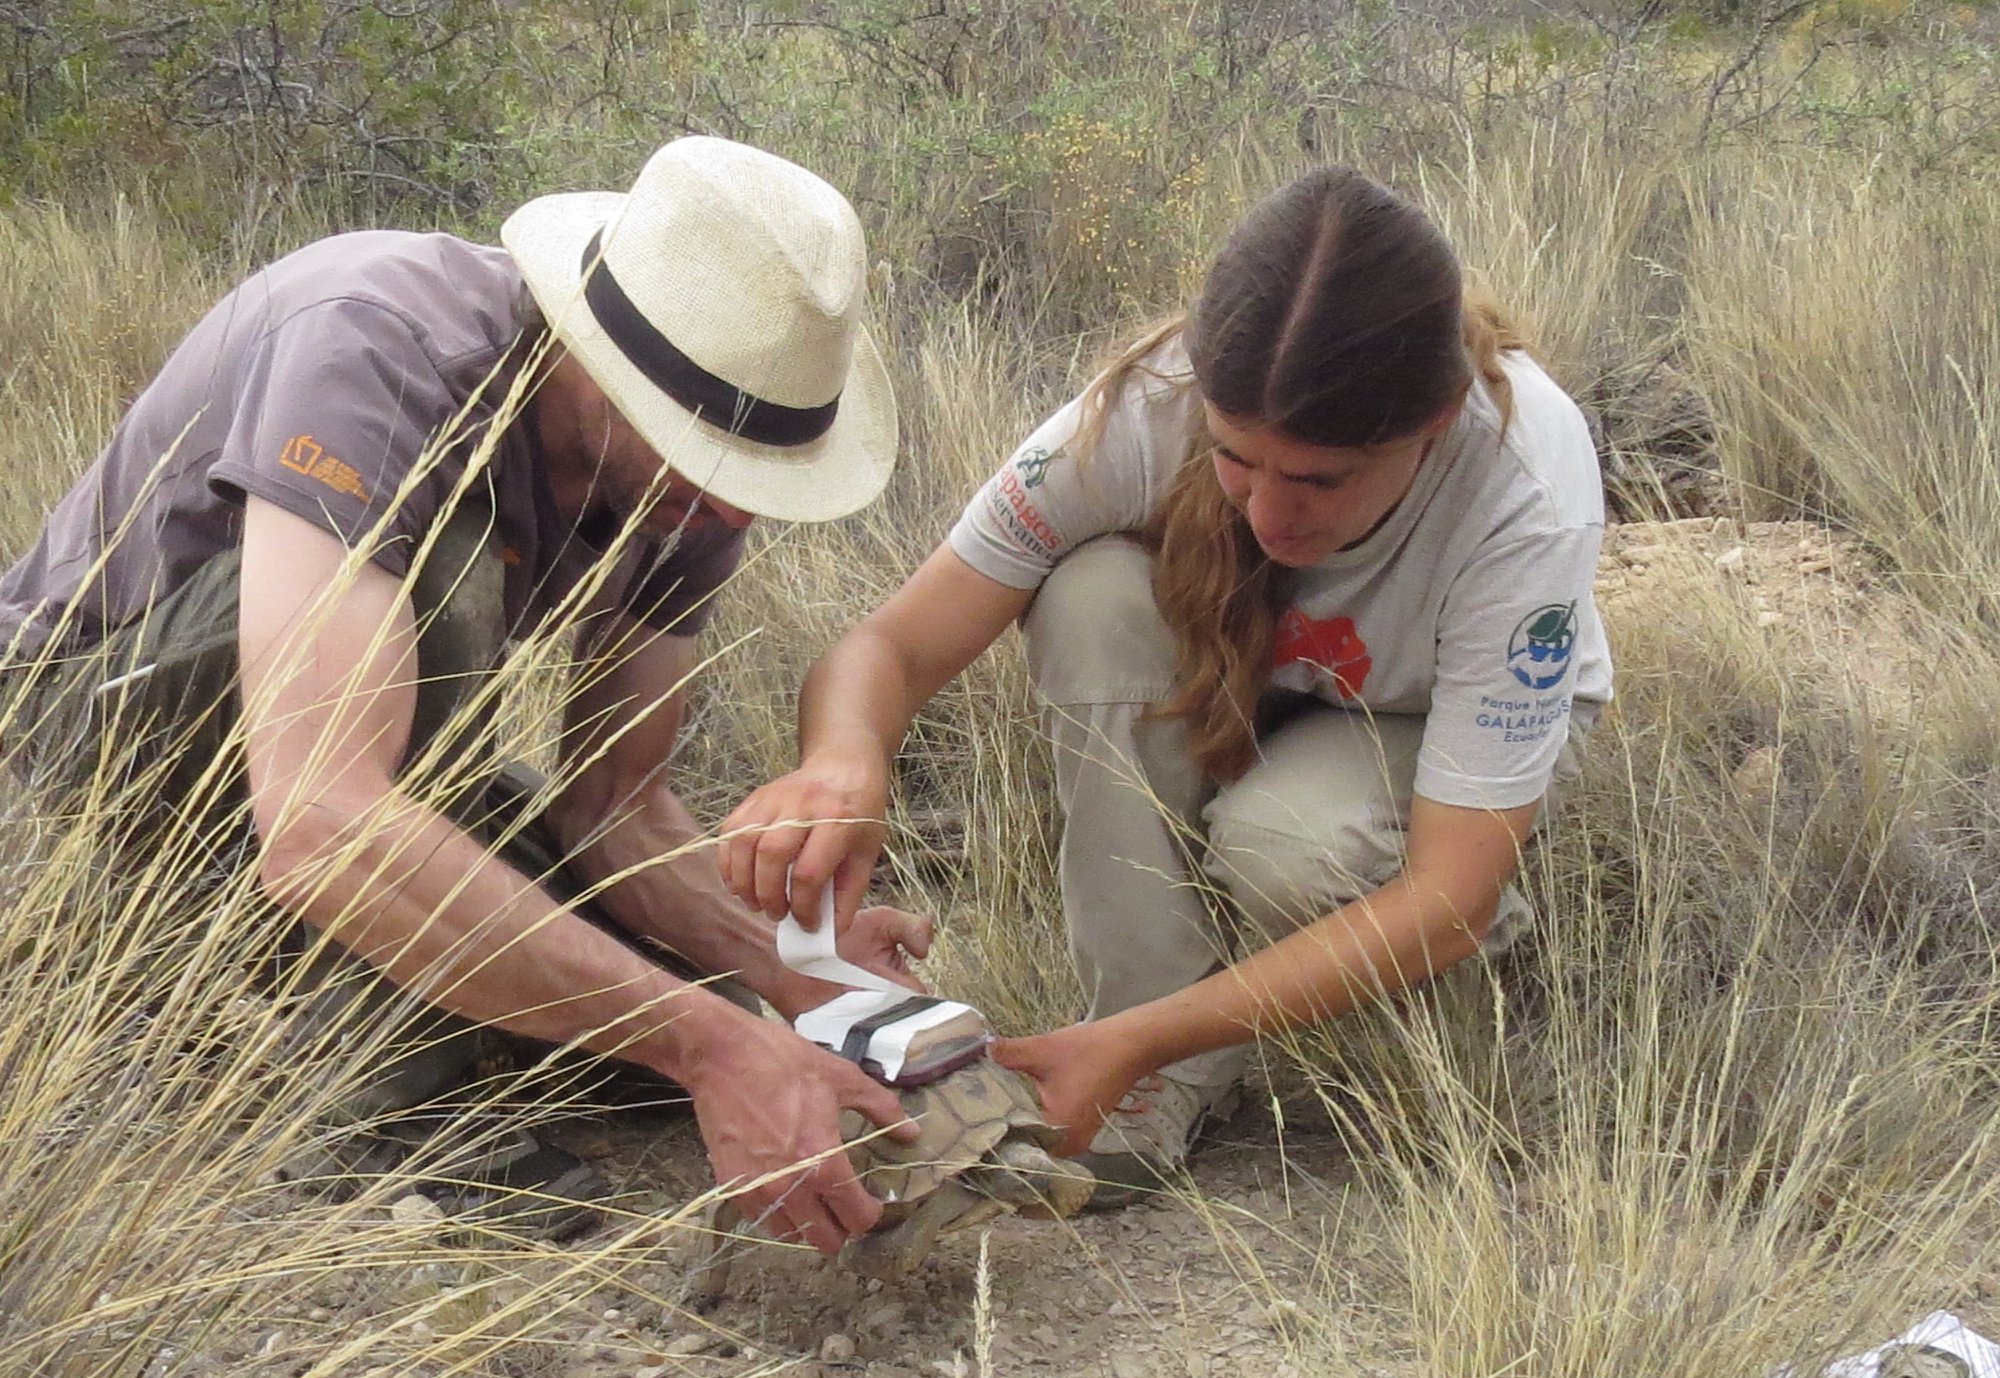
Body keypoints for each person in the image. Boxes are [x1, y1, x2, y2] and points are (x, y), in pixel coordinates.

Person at [0, 135, 931, 1252]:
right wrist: (705, 1050)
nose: (734, 512)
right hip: (81, 751)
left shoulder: (693, 496)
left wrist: (797, 977)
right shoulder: (379, 347)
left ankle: (437, 1012)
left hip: (359, 764)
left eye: (754, 478)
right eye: (708, 458)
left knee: (694, 995)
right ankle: (378, 1102)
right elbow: (324, 824)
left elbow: (616, 805)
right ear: (595, 358)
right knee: (447, 575)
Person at [717, 164, 1612, 1201]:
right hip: (1269, 678)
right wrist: (841, 763)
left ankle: (1419, 1033)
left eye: (1321, 479)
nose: (1271, 517)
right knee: (1091, 597)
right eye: (1237, 460)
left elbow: (1446, 895)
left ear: (1435, 419)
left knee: (1287, 846)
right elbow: (891, 648)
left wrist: (1142, 1038)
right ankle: (1156, 1064)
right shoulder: (1149, 403)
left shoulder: (1522, 486)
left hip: (1422, 716)